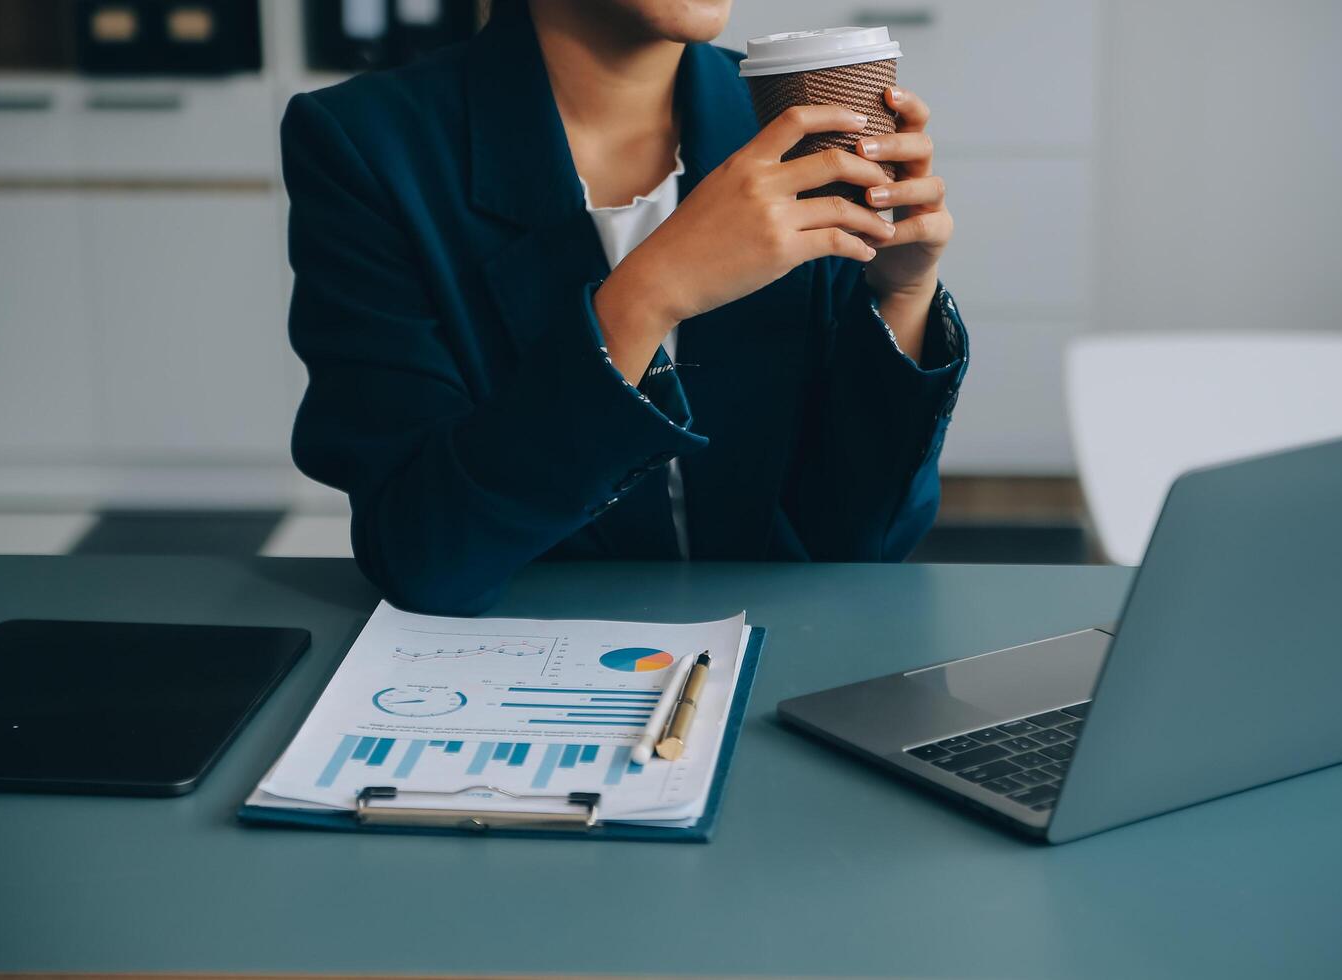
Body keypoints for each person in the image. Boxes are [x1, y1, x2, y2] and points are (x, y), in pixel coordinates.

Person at [282, 0, 967, 615]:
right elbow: (423, 558)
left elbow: (863, 543)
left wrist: (901, 295)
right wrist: (648, 295)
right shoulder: (367, 144)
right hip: (519, 670)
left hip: (776, 660)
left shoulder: (789, 125)